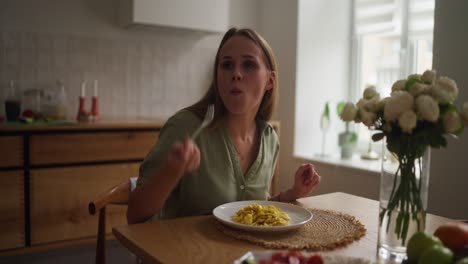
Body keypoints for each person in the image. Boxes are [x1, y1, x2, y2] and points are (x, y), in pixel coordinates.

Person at [127, 27, 321, 224]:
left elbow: (251, 211)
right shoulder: (186, 127)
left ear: (270, 81)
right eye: (227, 65)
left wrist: (293, 193)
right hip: (182, 252)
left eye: (248, 65)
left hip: (242, 255)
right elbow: (134, 214)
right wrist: (171, 171)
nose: (236, 73)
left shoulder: (270, 139)